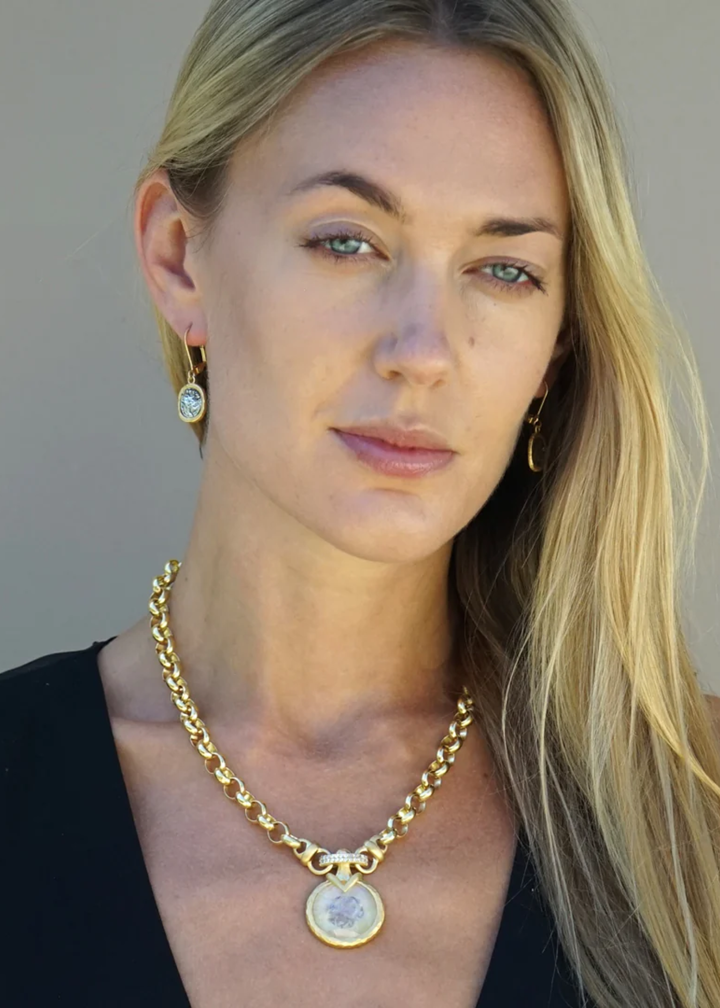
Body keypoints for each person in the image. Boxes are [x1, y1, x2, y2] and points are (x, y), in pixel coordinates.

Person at [2, 0, 720, 1005]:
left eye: (504, 269)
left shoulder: (694, 812)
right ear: (178, 256)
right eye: (347, 242)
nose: (423, 352)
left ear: (557, 346)